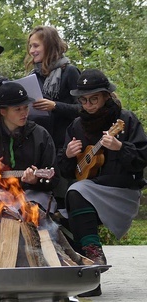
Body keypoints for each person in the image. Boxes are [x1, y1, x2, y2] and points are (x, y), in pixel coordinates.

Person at [58, 69, 147, 297]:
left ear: (106, 96)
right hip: (90, 190)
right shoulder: (76, 126)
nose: (88, 105)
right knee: (70, 203)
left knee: (77, 193)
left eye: (94, 99)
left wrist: (120, 147)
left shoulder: (125, 120)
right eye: (83, 100)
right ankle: (90, 277)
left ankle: (91, 263)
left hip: (122, 192)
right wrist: (68, 155)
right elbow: (69, 171)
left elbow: (141, 159)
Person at [0, 82, 59, 213]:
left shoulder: (40, 135)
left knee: (31, 212)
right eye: (17, 109)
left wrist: (36, 181)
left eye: (26, 107)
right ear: (3, 111)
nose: (24, 113)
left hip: (33, 195)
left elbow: (54, 178)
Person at [24, 25, 82, 214]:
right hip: (40, 148)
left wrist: (54, 106)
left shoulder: (70, 72)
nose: (32, 51)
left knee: (64, 201)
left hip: (65, 149)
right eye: (30, 47)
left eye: (35, 46)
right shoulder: (33, 76)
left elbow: (84, 109)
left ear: (49, 45)